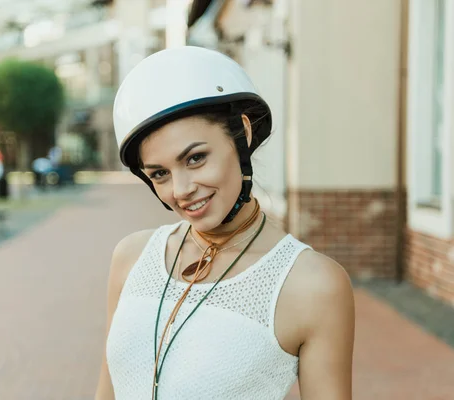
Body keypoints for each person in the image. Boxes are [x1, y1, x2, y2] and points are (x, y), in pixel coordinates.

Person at [95, 46, 355, 400]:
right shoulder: (131, 257)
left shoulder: (311, 284)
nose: (181, 190)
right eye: (159, 174)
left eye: (196, 158)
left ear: (242, 134)